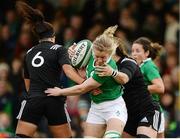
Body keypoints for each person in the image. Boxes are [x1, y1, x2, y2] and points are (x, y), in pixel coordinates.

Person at [15, 1, 85, 138]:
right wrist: (85, 82)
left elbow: (27, 84)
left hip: (34, 99)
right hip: (54, 98)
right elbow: (69, 72)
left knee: (21, 137)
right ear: (53, 36)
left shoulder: (29, 53)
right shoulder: (59, 49)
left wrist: (37, 94)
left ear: (38, 37)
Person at [45, 25, 128, 138]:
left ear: (109, 53)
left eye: (102, 57)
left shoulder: (106, 67)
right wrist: (72, 55)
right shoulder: (90, 54)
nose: (99, 60)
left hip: (114, 107)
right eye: (96, 56)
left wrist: (60, 92)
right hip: (96, 108)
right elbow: (81, 74)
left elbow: (82, 88)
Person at [94, 37, 162, 138]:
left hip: (147, 109)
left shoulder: (128, 62)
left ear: (112, 50)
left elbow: (124, 78)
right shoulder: (103, 65)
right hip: (127, 114)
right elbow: (88, 82)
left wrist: (112, 73)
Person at [131, 37, 165, 138]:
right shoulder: (137, 66)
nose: (134, 54)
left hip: (152, 111)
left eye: (138, 51)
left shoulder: (148, 66)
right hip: (142, 110)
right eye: (132, 51)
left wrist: (139, 89)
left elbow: (160, 87)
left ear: (146, 53)